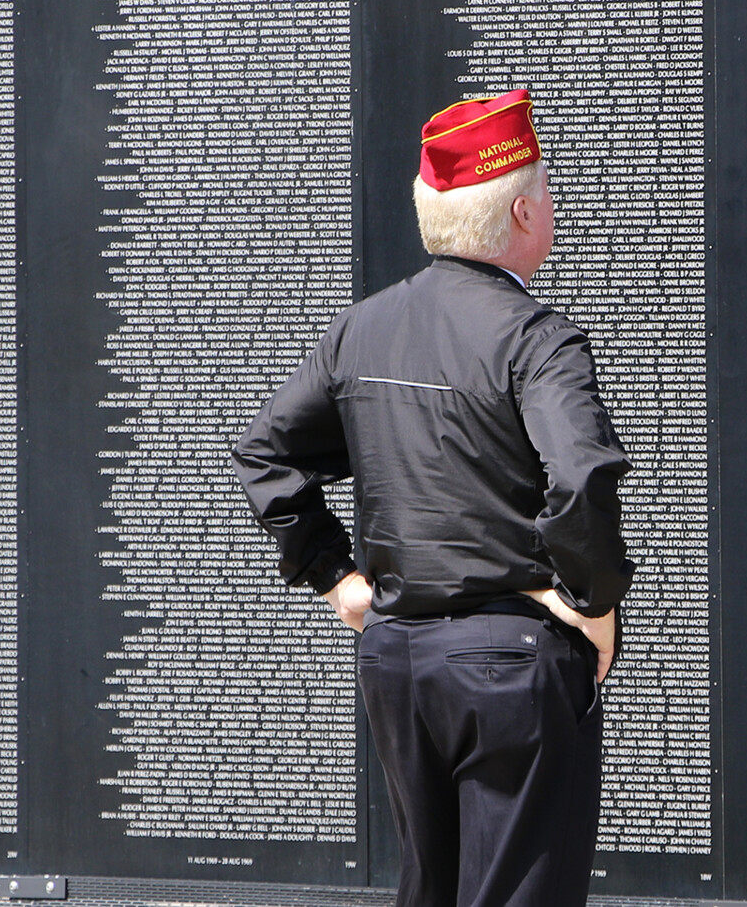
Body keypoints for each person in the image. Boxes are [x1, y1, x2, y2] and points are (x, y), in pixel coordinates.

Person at [232, 87, 630, 907]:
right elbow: (580, 475)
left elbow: (267, 452)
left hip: (397, 660)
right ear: (523, 211)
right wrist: (592, 602)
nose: (553, 208)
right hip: (512, 661)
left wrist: (335, 577)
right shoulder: (537, 338)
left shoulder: (361, 328)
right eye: (549, 194)